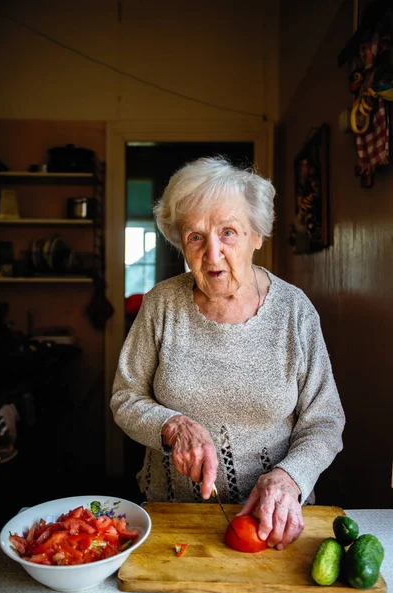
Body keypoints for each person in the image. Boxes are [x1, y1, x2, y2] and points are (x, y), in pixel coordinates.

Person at [111, 156, 345, 551]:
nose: (213, 253)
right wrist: (173, 425)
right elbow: (125, 397)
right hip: (170, 519)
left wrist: (289, 477)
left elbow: (324, 421)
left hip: (273, 524)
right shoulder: (161, 305)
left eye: (229, 232)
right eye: (195, 237)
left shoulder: (294, 311)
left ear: (257, 234)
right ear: (180, 242)